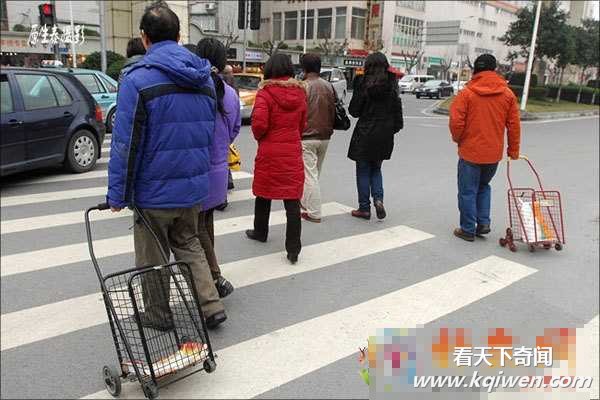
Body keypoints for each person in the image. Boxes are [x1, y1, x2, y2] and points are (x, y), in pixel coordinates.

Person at [107, 3, 227, 330]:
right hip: (192, 187)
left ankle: (158, 315)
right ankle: (211, 305)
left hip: (153, 191)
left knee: (153, 256)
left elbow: (126, 144)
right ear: (178, 36)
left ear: (144, 38)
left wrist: (117, 194)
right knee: (189, 243)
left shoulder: (137, 80)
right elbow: (206, 134)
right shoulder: (204, 79)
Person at [449, 53, 521, 241]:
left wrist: (459, 139)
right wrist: (513, 150)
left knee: (467, 191)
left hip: (470, 152)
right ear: (494, 69)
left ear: (476, 70)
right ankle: (483, 223)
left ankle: (467, 229)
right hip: (493, 154)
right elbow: (514, 125)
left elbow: (456, 122)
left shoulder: (467, 93)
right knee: (483, 186)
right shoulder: (507, 94)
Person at [245, 53, 307, 264]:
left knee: (264, 193)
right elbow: (302, 124)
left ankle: (260, 231)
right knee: (292, 200)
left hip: (270, 151)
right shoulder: (300, 93)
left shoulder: (265, 93)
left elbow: (259, 125)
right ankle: (293, 249)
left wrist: (263, 138)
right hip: (292, 150)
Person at [195, 38, 241, 298]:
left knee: (196, 227)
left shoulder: (195, 89)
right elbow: (234, 129)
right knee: (206, 223)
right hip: (219, 170)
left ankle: (212, 276)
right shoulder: (231, 94)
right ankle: (208, 273)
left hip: (198, 169)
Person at [348, 52, 403, 220]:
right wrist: (389, 130)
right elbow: (397, 116)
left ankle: (364, 208)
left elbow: (354, 110)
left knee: (363, 170)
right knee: (376, 169)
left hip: (365, 133)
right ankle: (379, 200)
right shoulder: (392, 84)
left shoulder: (362, 82)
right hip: (384, 135)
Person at [299, 53, 336, 223]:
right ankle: (306, 202)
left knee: (309, 175)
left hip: (307, 136)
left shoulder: (303, 86)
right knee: (314, 173)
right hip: (325, 135)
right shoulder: (328, 86)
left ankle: (314, 212)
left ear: (304, 68)